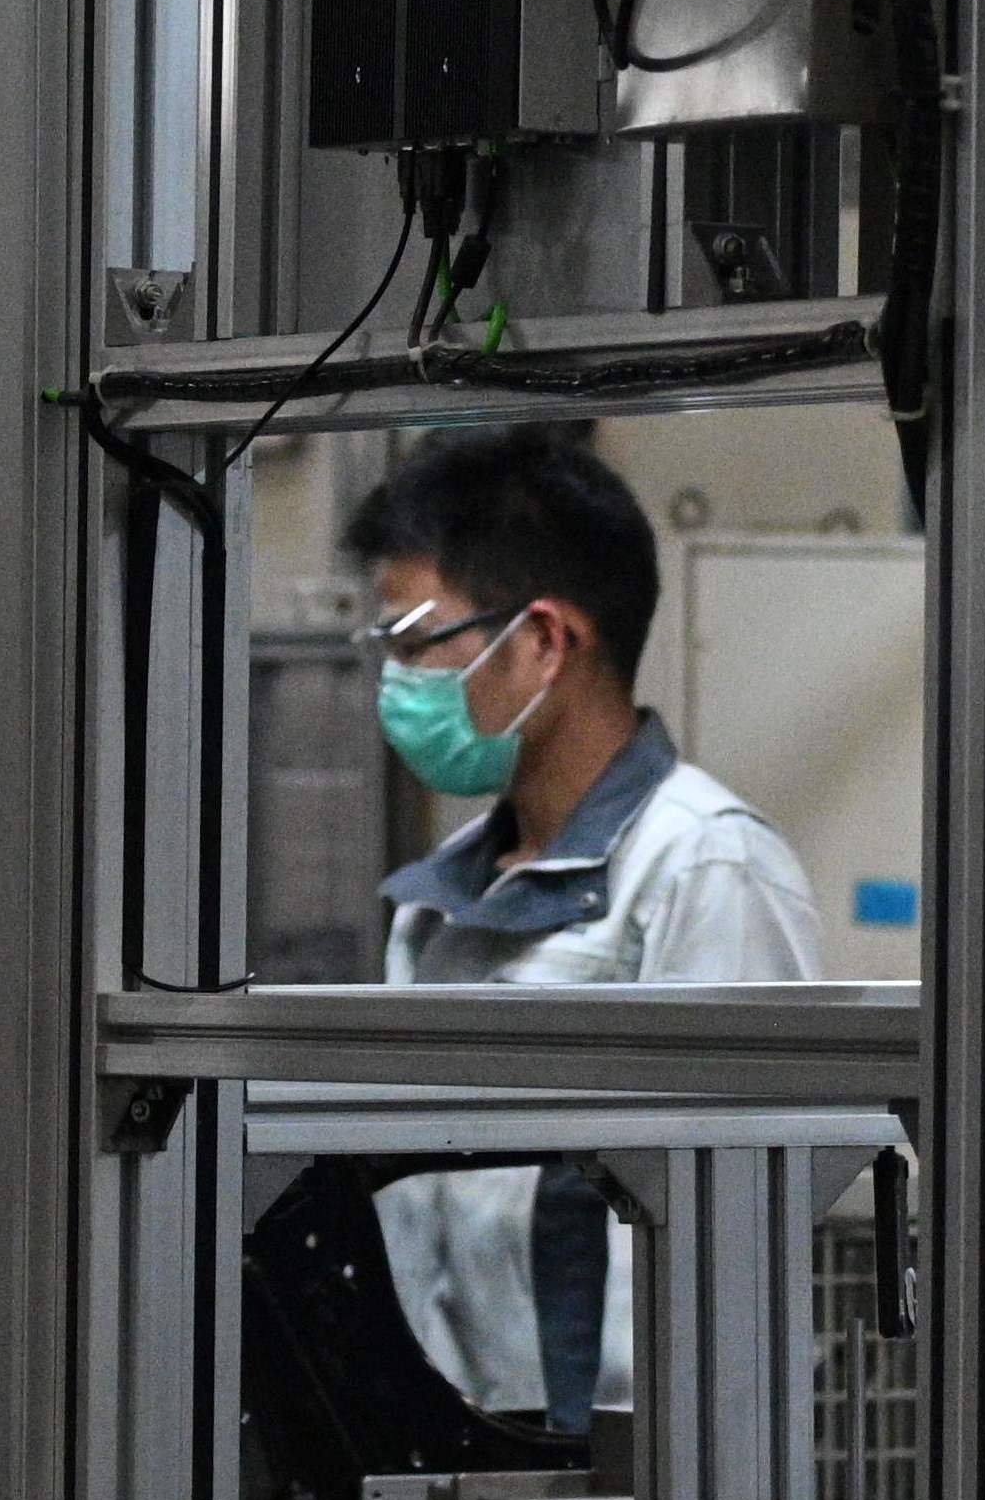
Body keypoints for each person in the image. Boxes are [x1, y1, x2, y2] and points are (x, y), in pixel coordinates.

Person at [346, 427, 818, 1435]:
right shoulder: (439, 898)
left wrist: (677, 1464)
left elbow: (732, 1226)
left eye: (416, 643)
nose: (396, 680)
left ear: (544, 641)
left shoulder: (705, 866)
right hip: (468, 1440)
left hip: (638, 1458)